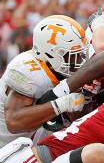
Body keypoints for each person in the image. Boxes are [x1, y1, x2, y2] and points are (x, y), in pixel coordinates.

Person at [0, 15, 88, 148]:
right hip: (5, 148)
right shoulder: (27, 69)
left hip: (29, 139)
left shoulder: (54, 67)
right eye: (72, 56)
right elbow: (13, 122)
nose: (79, 61)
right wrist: (63, 104)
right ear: (51, 53)